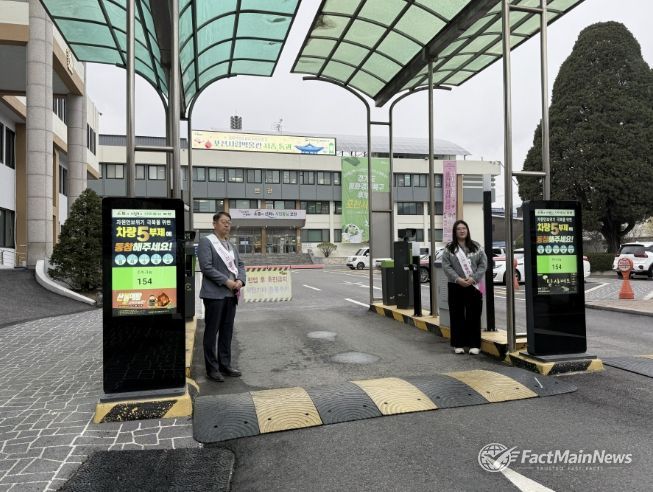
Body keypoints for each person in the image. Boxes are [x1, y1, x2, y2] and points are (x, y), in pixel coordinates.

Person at [198, 212, 247, 382]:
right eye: (223, 222)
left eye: (229, 222)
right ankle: (212, 369)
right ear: (214, 224)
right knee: (211, 333)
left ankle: (225, 365)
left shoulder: (230, 245)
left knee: (227, 332)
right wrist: (227, 282)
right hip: (214, 295)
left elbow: (240, 265)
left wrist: (240, 280)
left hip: (231, 295)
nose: (227, 225)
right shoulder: (206, 242)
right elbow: (206, 267)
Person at [442, 220, 488, 355]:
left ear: (467, 230)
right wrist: (458, 279)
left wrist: (474, 278)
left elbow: (483, 264)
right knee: (457, 314)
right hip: (455, 285)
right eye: (459, 229)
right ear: (455, 232)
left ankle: (474, 344)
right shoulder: (449, 248)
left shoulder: (476, 246)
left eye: (464, 228)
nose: (462, 231)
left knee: (474, 314)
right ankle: (458, 344)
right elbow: (446, 266)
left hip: (475, 285)